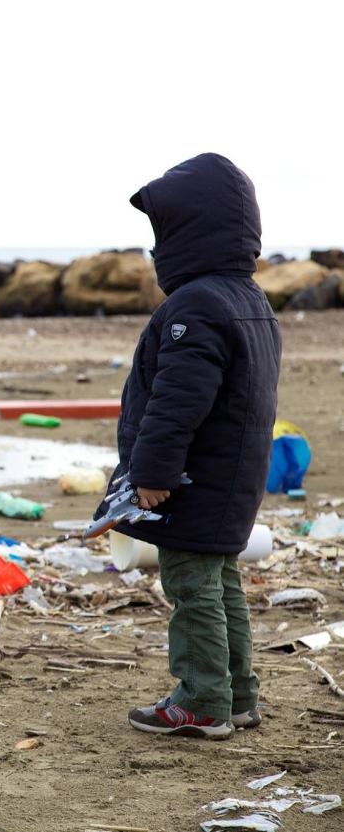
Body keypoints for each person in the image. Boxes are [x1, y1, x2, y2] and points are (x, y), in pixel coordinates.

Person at [96, 153, 282, 740]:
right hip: (233, 474)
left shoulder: (196, 304)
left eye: (162, 233)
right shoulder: (249, 298)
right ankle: (237, 694)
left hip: (193, 476)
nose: (156, 248)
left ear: (188, 232)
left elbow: (179, 402)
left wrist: (152, 474)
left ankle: (202, 700)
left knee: (191, 585)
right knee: (219, 579)